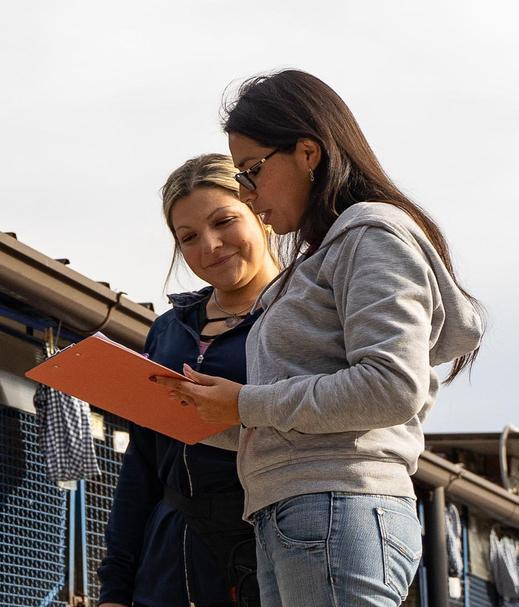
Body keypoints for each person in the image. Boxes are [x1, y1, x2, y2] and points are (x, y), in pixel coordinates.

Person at [158, 70, 484, 606]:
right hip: (302, 512)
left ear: (308, 153)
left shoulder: (370, 234)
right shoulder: (321, 258)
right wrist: (210, 414)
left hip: (336, 507)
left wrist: (243, 403)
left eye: (252, 171)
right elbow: (299, 419)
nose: (247, 191)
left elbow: (390, 387)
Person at [98, 153, 278, 607]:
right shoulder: (167, 330)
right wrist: (115, 589)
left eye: (225, 221)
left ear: (262, 213)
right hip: (169, 563)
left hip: (271, 549)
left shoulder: (302, 317)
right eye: (189, 237)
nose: (211, 246)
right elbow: (142, 464)